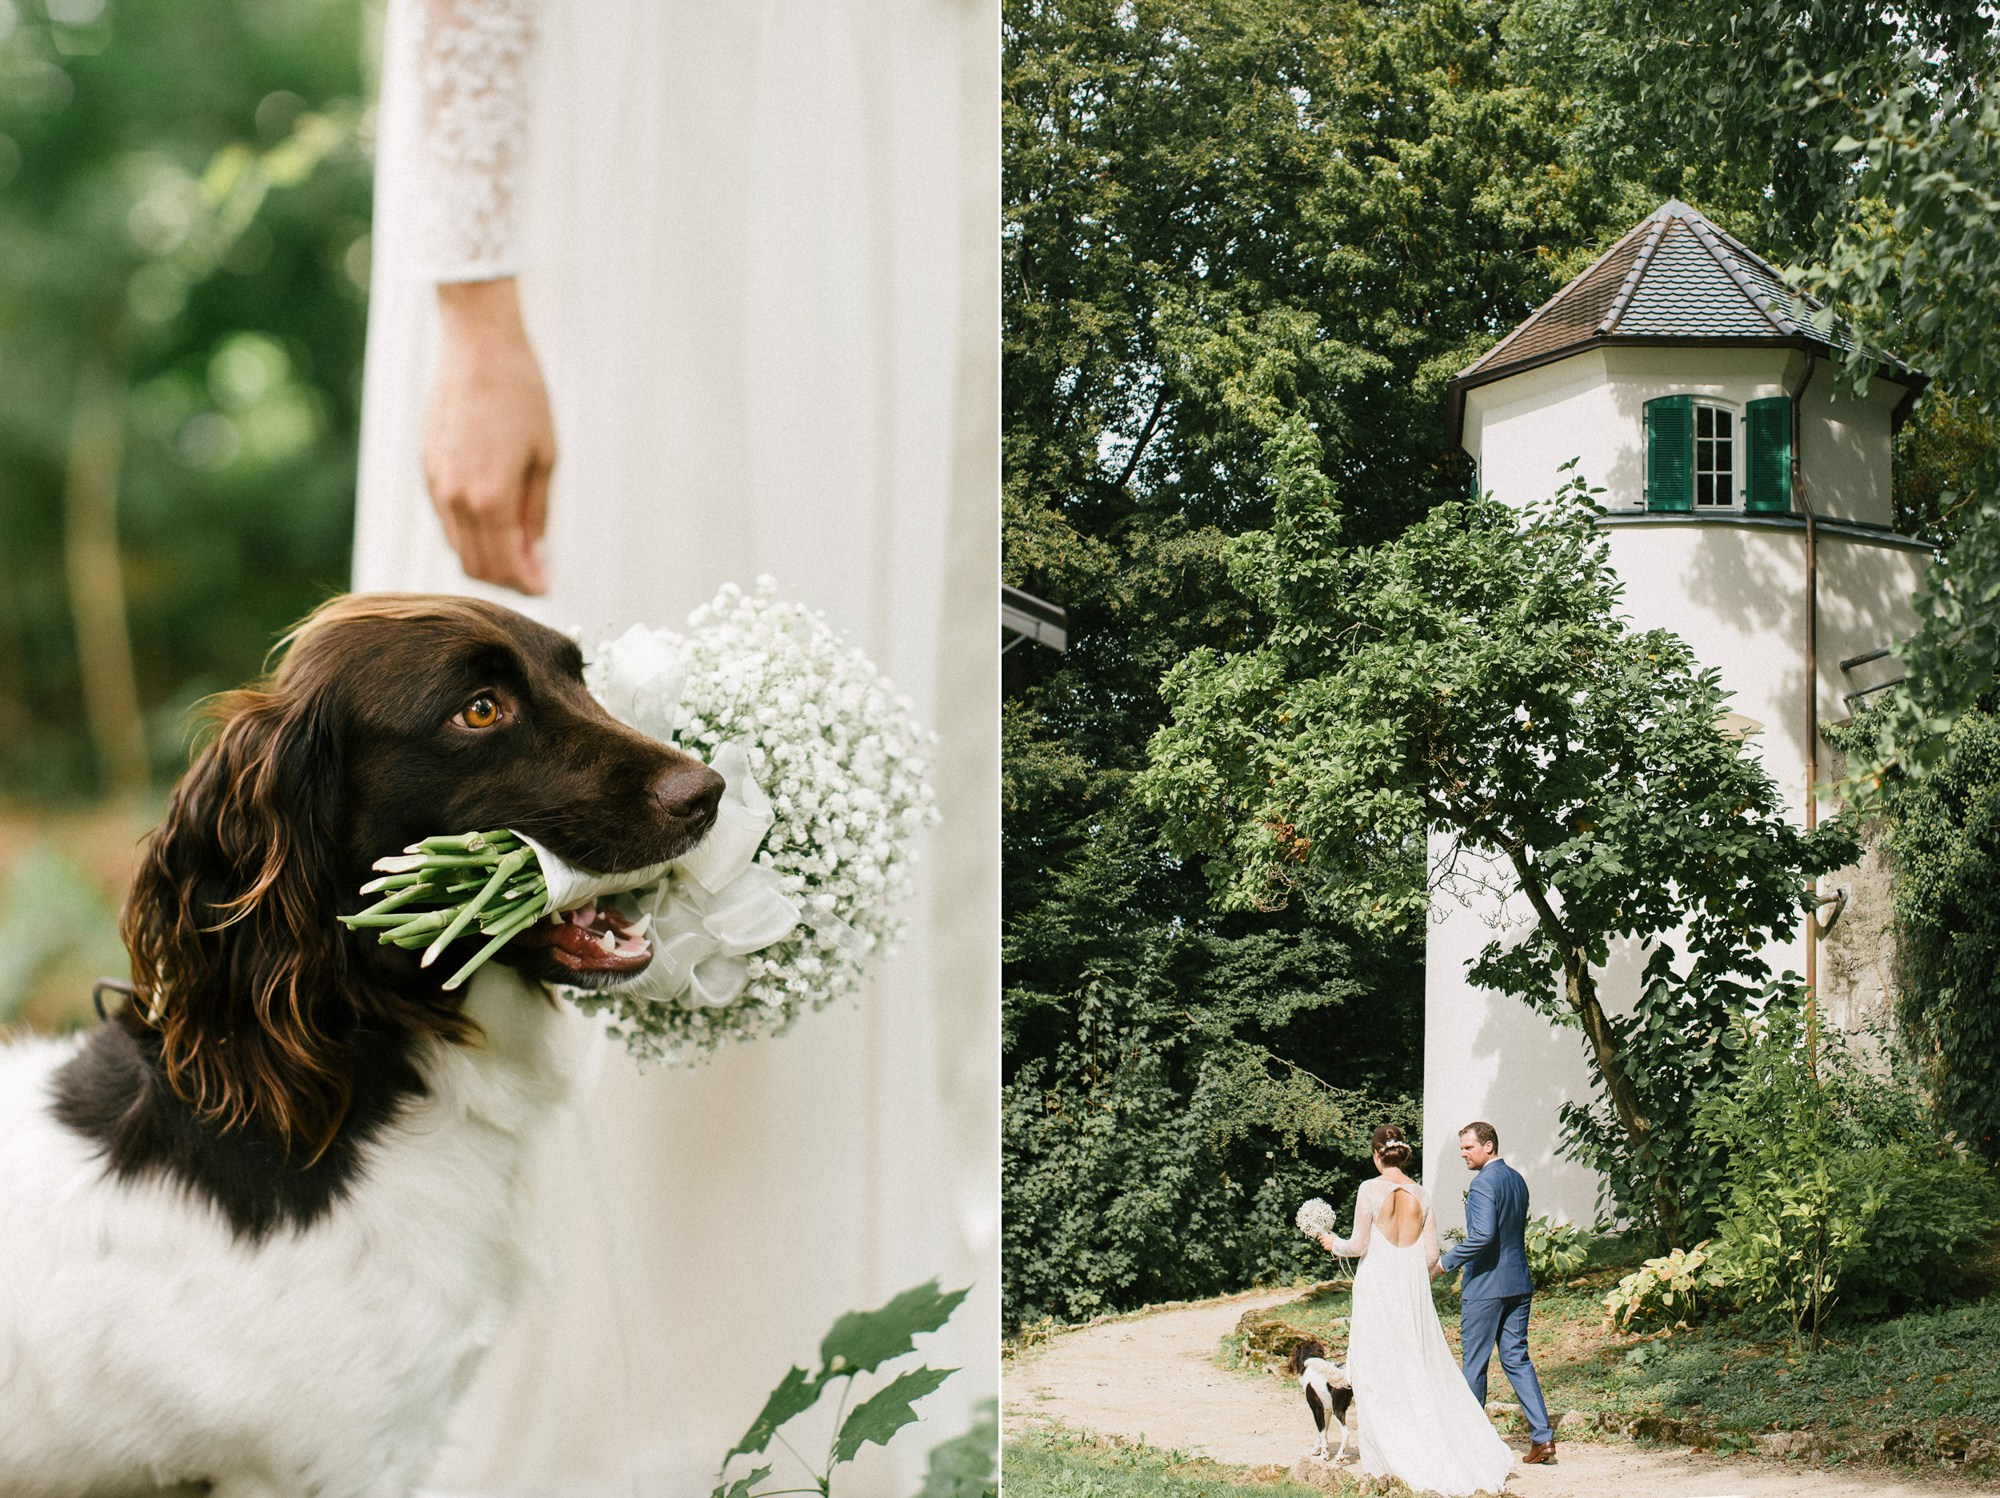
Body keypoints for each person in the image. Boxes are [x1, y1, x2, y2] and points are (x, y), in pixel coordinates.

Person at [353, 1, 998, 1493]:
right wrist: (474, 309)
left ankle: (812, 1375)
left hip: (894, 145)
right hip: (628, 161)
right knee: (575, 681)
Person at [1316, 1125, 1516, 1496]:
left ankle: (1393, 1453)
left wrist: (1332, 1243)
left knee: (1378, 1367)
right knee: (1416, 1362)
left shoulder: (1369, 1189)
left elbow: (1358, 1246)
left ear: (1377, 1154)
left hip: (1377, 1287)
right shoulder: (1422, 1194)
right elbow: (1430, 1256)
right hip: (1411, 1289)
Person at [1434, 1121, 1556, 1465]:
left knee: (1474, 1363)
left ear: (1488, 1146)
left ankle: (1472, 1444)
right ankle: (1543, 1438)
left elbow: (1483, 1236)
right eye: (1461, 1148)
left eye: (1468, 1147)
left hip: (1486, 1286)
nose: (1463, 1154)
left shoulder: (1483, 1183)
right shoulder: (1516, 1179)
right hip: (1518, 1282)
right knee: (1517, 1359)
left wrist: (1443, 1264)